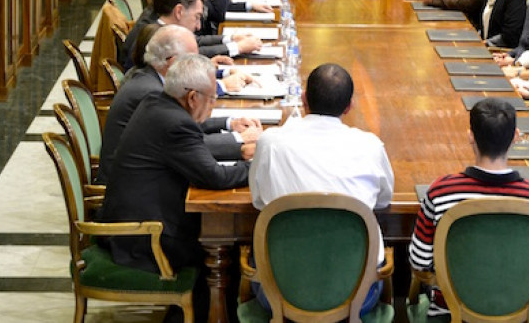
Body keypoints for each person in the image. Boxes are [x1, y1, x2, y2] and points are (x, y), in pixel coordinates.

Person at [100, 54, 251, 323]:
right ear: (192, 98)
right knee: (224, 246)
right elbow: (214, 176)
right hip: (144, 236)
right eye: (212, 99)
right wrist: (259, 167)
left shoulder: (157, 103)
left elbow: (197, 152)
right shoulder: (175, 124)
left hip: (139, 216)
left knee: (224, 240)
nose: (213, 107)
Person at [408, 98, 529, 317]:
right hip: (523, 315)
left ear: (471, 136)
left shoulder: (440, 192)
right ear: (516, 137)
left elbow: (419, 261)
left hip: (450, 314)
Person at [248, 63, 394, 316]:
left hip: (278, 292)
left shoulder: (270, 142)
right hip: (358, 295)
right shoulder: (370, 146)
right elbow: (383, 200)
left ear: (304, 99)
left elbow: (259, 201)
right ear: (349, 107)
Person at [97, 25, 261, 184]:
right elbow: (192, 149)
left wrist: (229, 124)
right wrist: (259, 162)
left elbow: (184, 132)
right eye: (194, 59)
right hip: (139, 199)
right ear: (175, 62)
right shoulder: (150, 92)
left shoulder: (152, 84)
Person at [119, 0, 205, 70]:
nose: (199, 26)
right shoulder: (153, 39)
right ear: (179, 12)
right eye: (197, 17)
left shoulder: (158, 26)